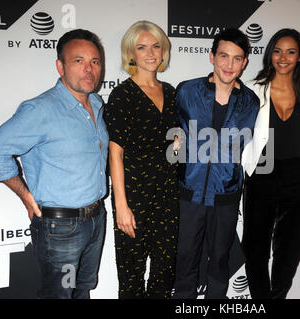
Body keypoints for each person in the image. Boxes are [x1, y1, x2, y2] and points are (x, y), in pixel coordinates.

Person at [0, 29, 107, 299]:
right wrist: (25, 195)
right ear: (60, 66)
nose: (89, 69)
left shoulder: (96, 102)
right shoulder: (41, 109)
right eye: (78, 61)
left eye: (94, 61)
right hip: (61, 230)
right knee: (60, 294)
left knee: (82, 291)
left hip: (96, 220)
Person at [172, 28, 259, 299]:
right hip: (189, 190)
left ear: (245, 62)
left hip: (227, 193)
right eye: (223, 56)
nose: (229, 64)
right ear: (211, 56)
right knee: (185, 260)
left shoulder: (251, 102)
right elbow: (171, 131)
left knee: (220, 261)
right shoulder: (186, 91)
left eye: (237, 58)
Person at [241, 28, 300, 299]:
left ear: (299, 57)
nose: (283, 57)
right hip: (262, 174)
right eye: (277, 51)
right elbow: (239, 133)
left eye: (291, 51)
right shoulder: (254, 90)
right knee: (255, 248)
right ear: (269, 55)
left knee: (289, 250)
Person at [104, 20, 179, 299]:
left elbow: (174, 150)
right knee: (132, 275)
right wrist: (121, 205)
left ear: (163, 51)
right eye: (142, 47)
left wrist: (178, 145)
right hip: (133, 196)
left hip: (168, 196)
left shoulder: (171, 93)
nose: (150, 53)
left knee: (164, 273)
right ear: (131, 54)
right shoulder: (122, 95)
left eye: (156, 46)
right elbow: (115, 152)